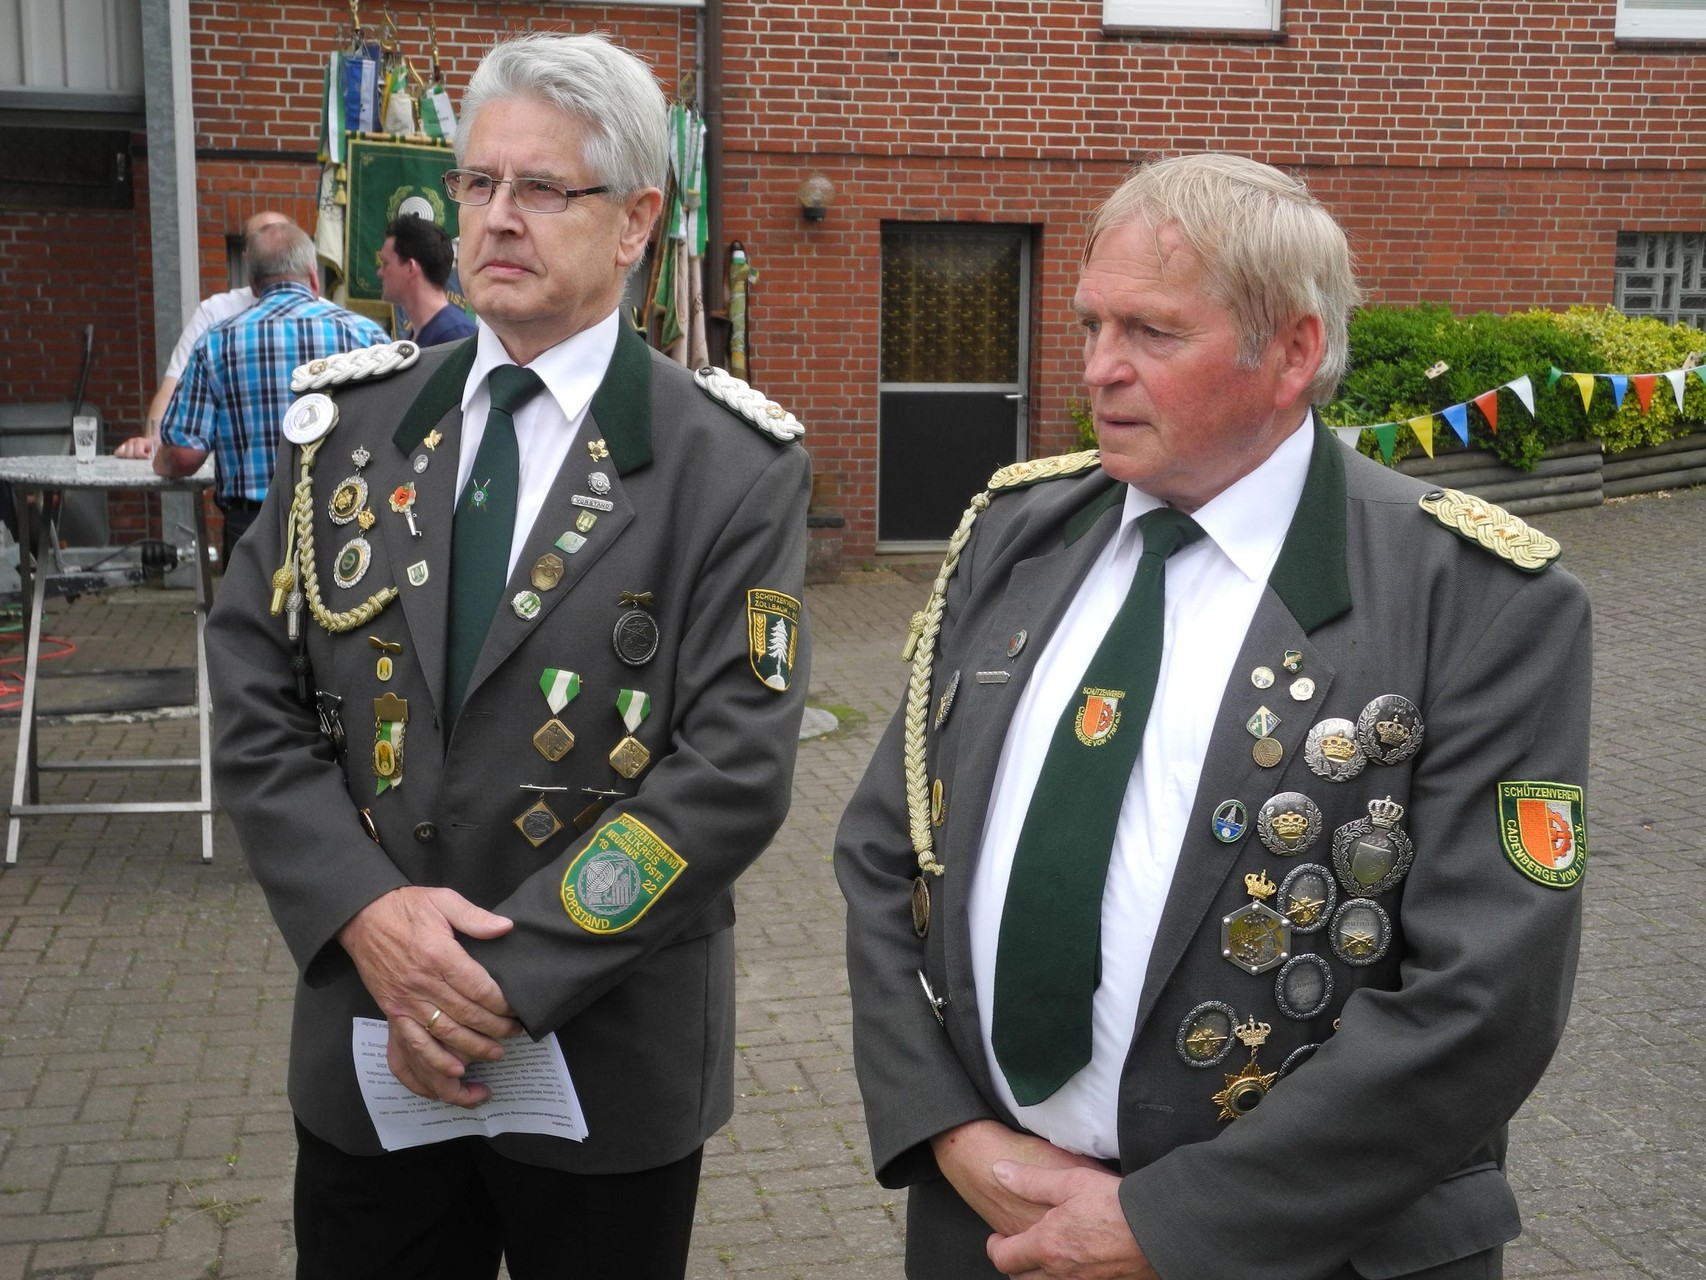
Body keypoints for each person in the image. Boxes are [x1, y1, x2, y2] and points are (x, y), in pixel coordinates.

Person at [835, 153, 1591, 1280]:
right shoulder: (1016, 532)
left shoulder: (1473, 596)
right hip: (993, 1222)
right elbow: (884, 849)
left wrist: (1173, 1222)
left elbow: (1485, 996)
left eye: (1148, 332)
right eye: (1090, 324)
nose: (1098, 369)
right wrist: (949, 1126)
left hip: (1304, 1247)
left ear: (1289, 351)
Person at [203, 31, 810, 1280]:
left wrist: (499, 981)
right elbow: (252, 682)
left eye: (543, 188)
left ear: (637, 219)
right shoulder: (348, 431)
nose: (496, 218)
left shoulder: (728, 468)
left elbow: (730, 768)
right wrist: (363, 913)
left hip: (602, 1067)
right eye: (478, 184)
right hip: (370, 1054)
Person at [126, 223, 388, 562]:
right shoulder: (367, 337)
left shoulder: (216, 342)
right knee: (341, 614)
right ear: (313, 277)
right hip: (345, 515)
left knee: (258, 616)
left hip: (253, 525)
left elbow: (183, 455)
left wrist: (160, 458)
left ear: (252, 284)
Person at [132, 209, 292, 445]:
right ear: (247, 256)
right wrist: (152, 443)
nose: (273, 243)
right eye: (262, 238)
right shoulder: (215, 311)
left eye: (282, 235)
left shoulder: (330, 317)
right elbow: (172, 388)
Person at [377, 212, 477, 346]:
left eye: (385, 263)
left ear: (410, 268)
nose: (380, 272)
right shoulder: (418, 335)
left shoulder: (456, 335)